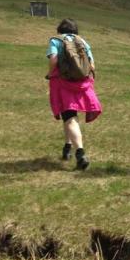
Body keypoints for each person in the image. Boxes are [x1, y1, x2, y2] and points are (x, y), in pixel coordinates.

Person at [47, 18, 102, 170]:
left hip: (63, 83)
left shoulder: (56, 41)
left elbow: (53, 59)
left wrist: (49, 73)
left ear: (60, 29)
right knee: (71, 117)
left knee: (69, 117)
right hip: (82, 83)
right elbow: (91, 64)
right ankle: (67, 148)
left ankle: (80, 152)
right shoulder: (82, 41)